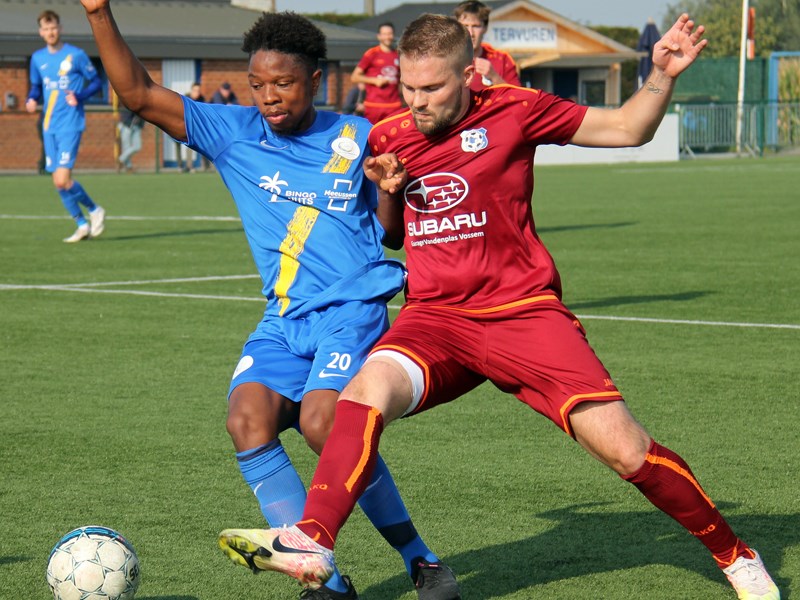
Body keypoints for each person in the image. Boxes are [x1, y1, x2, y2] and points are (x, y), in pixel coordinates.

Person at [217, 13, 782, 600]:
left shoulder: (515, 108)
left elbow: (626, 128)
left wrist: (662, 75)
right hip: (435, 319)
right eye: (408, 88)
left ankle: (736, 555)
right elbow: (391, 237)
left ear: (469, 74)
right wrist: (388, 191)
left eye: (432, 88)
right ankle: (313, 538)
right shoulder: (388, 136)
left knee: (627, 451)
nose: (417, 102)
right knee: (363, 392)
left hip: (523, 314)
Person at [79, 2, 459, 599]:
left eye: (283, 84)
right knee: (246, 421)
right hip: (283, 319)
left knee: (322, 423)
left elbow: (391, 234)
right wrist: (99, 12)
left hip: (351, 313)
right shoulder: (232, 134)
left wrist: (391, 189)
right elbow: (139, 94)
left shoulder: (359, 136)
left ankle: (421, 558)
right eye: (258, 85)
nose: (268, 97)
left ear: (315, 80)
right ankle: (325, 580)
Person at [26, 10, 106, 242]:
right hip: (48, 124)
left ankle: (94, 210)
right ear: (41, 32)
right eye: (46, 28)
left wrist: (79, 97)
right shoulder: (37, 59)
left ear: (60, 29)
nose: (50, 32)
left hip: (70, 123)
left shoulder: (76, 55)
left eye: (54, 28)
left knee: (63, 179)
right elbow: (35, 87)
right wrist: (31, 99)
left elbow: (97, 81)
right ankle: (81, 225)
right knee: (57, 182)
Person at [454, 0, 521, 91]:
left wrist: (494, 77)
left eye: (476, 26)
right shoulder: (445, 58)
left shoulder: (503, 59)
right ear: (457, 27)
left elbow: (519, 98)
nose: (471, 33)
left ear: (485, 28)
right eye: (465, 26)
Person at [350, 22, 402, 124]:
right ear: (379, 36)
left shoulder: (398, 54)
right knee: (373, 136)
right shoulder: (372, 54)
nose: (388, 37)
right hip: (374, 105)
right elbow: (354, 77)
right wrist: (374, 80)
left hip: (394, 105)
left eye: (390, 33)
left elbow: (401, 79)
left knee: (393, 137)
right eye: (385, 34)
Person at [117, 105, 144, 172]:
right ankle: (129, 167)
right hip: (126, 126)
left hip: (136, 127)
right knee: (126, 147)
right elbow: (125, 116)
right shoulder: (129, 102)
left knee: (137, 147)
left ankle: (121, 159)